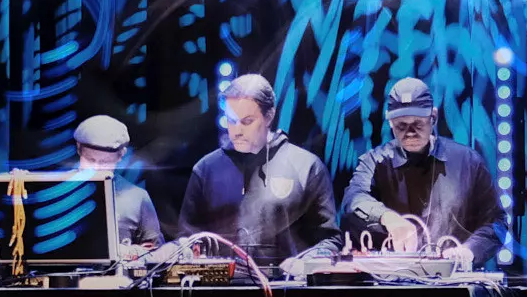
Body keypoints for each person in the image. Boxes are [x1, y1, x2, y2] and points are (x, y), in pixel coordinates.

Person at [177, 74, 340, 275]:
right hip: (220, 290)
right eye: (231, 120)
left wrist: (304, 264)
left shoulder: (307, 167)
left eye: (247, 121)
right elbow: (187, 240)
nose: (236, 131)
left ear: (269, 116)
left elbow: (330, 240)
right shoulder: (206, 169)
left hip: (287, 289)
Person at [342, 77, 505, 269]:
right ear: (390, 122)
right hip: (393, 278)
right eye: (401, 125)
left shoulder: (468, 162)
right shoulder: (375, 161)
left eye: (418, 123)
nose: (410, 132)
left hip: (453, 279)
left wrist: (469, 251)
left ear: (433, 117)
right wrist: (388, 218)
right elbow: (354, 199)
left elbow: (496, 223)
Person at [73, 114, 163, 255]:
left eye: (104, 162)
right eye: (90, 160)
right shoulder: (59, 191)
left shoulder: (137, 197)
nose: (96, 168)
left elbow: (157, 253)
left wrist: (128, 252)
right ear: (79, 149)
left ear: (121, 155)